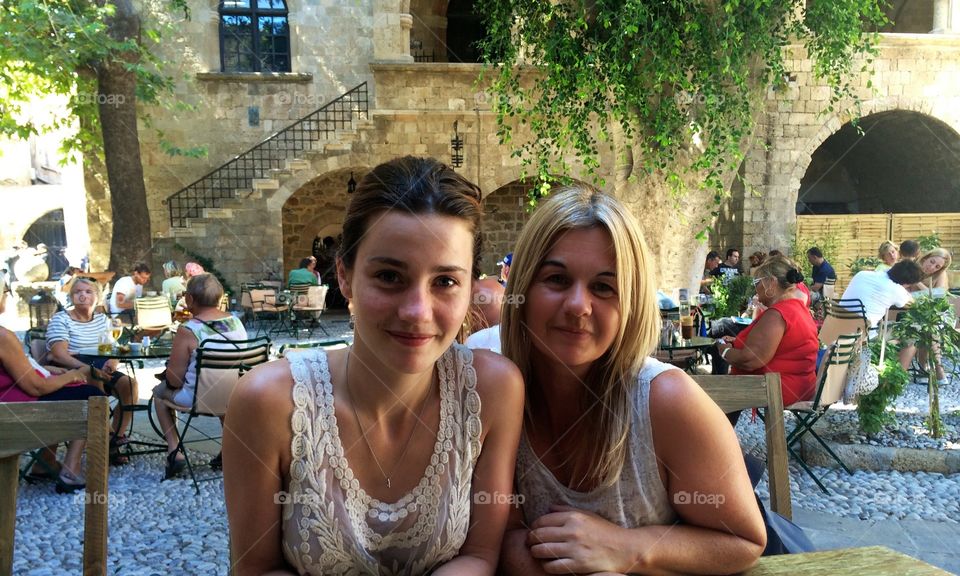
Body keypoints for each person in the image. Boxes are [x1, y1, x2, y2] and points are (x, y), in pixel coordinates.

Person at [223, 156, 524, 575]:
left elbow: (480, 554)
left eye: (445, 281)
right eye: (389, 276)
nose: (417, 311)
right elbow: (254, 567)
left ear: (472, 286)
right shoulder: (269, 403)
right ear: (345, 276)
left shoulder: (493, 391)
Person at [499, 186, 765, 575]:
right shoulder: (496, 400)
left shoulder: (666, 402)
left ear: (632, 302)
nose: (577, 305)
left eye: (604, 287)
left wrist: (627, 547)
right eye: (556, 279)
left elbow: (743, 541)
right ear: (521, 288)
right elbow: (502, 540)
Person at [0, 292, 103, 492]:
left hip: (8, 401)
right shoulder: (3, 336)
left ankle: (44, 462)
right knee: (91, 395)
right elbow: (36, 387)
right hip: (12, 410)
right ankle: (70, 470)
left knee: (63, 389)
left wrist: (46, 370)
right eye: (4, 292)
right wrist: (71, 376)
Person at [153, 273, 247, 479]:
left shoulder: (188, 329)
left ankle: (174, 451)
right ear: (220, 299)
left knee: (158, 395)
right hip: (234, 397)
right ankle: (228, 453)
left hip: (198, 398)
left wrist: (166, 378)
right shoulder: (237, 323)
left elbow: (175, 380)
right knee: (223, 392)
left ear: (189, 300)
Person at [715, 257, 820, 423]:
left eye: (757, 282)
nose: (755, 289)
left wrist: (724, 350)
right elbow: (781, 347)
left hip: (779, 388)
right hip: (800, 384)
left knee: (709, 394)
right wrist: (737, 342)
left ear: (771, 282)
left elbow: (750, 360)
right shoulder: (799, 308)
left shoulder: (778, 314)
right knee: (723, 390)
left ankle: (713, 445)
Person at [45, 277, 140, 461]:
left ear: (97, 296)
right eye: (78, 292)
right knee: (93, 375)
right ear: (71, 296)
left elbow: (112, 348)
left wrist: (113, 361)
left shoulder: (102, 320)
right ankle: (105, 435)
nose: (82, 295)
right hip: (71, 370)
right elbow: (58, 355)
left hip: (100, 365)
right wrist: (87, 367)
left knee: (129, 384)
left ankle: (115, 439)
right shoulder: (61, 319)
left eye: (88, 292)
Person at [840, 261, 921, 328]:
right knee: (904, 336)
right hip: (862, 336)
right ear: (906, 284)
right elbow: (913, 303)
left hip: (836, 325)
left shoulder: (862, 274)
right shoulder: (896, 290)